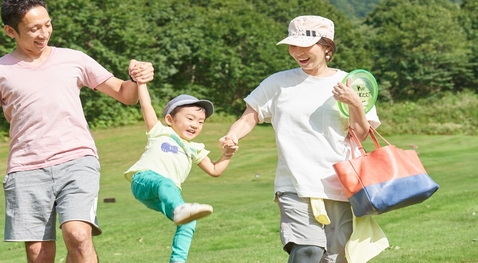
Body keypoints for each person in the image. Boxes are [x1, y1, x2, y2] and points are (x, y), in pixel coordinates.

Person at [0, 0, 154, 263]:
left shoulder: (74, 59)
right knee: (39, 255)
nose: (43, 33)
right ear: (10, 31)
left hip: (77, 160)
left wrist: (137, 77)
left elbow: (125, 94)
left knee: (78, 235)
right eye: (34, 28)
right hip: (26, 169)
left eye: (47, 24)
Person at [221, 15, 381, 263]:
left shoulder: (352, 82)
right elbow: (249, 116)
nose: (297, 52)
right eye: (293, 46)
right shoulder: (278, 83)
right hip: (294, 183)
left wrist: (355, 104)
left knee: (335, 259)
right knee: (308, 251)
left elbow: (359, 135)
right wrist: (232, 134)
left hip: (340, 184)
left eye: (305, 46)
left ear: (327, 47)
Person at [125, 82, 238, 263]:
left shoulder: (195, 149)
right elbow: (146, 105)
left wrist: (228, 154)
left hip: (167, 195)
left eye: (201, 122)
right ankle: (180, 208)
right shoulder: (160, 131)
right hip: (145, 180)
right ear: (170, 119)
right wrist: (142, 82)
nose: (195, 125)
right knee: (165, 183)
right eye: (190, 118)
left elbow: (215, 170)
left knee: (189, 222)